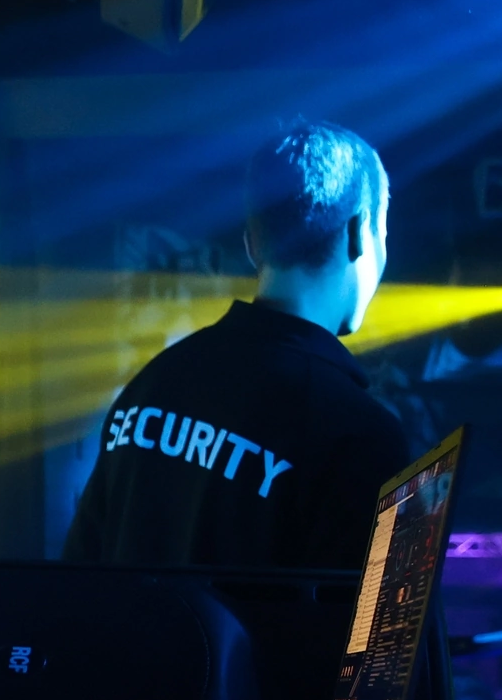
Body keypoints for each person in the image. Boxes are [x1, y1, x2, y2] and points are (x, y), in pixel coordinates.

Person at [61, 121, 410, 569]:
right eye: (384, 232)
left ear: (251, 244)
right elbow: (377, 616)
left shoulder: (152, 385)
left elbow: (79, 578)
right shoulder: (360, 436)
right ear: (360, 230)